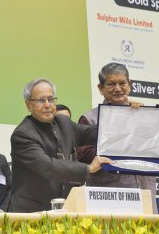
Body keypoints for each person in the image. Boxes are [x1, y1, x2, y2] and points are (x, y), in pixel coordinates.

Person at [77, 63, 159, 214]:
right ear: (100, 88)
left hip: (145, 198)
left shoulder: (147, 116)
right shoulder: (89, 119)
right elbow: (81, 156)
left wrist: (144, 122)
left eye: (122, 83)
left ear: (130, 85)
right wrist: (118, 143)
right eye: (111, 84)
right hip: (109, 201)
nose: (117, 88)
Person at [9, 78, 112, 212]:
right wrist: (88, 169)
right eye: (41, 100)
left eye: (51, 99)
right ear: (29, 105)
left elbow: (92, 133)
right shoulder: (23, 134)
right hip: (31, 212)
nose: (47, 105)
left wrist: (124, 110)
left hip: (64, 210)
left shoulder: (63, 122)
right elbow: (47, 166)